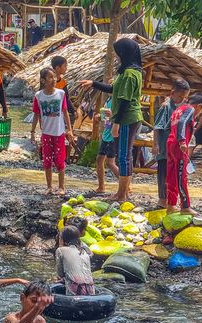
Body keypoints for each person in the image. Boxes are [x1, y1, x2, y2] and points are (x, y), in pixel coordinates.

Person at [81, 38, 143, 202]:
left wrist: (116, 123)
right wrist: (93, 83)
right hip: (127, 118)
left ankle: (122, 194)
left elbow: (124, 100)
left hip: (127, 119)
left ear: (124, 53)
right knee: (125, 156)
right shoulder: (131, 71)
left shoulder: (130, 74)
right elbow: (114, 89)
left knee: (123, 157)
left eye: (117, 54)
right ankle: (122, 192)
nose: (116, 57)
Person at [31, 67, 74, 195]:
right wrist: (32, 132)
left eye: (54, 77)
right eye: (50, 77)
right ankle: (49, 186)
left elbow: (65, 112)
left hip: (59, 133)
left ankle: (61, 187)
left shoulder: (61, 94)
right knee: (47, 160)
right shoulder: (39, 96)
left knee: (60, 160)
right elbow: (36, 115)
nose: (53, 80)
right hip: (46, 134)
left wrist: (69, 130)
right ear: (43, 80)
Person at [166, 93, 202, 215]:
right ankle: (185, 206)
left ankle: (171, 205)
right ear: (199, 106)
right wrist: (182, 141)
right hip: (179, 146)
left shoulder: (178, 109)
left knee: (172, 175)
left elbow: (169, 126)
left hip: (170, 143)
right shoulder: (190, 109)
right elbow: (183, 122)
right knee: (181, 176)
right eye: (201, 111)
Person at [153, 79, 191, 208]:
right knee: (163, 172)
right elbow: (157, 127)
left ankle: (169, 199)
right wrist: (155, 144)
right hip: (164, 146)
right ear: (172, 92)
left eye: (184, 97)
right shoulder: (166, 107)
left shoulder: (179, 107)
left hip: (172, 147)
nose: (182, 99)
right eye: (180, 96)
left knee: (171, 173)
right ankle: (162, 199)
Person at [55, 226, 95, 296]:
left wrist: (60, 280)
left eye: (60, 237)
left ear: (63, 239)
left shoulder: (60, 250)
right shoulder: (84, 251)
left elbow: (60, 275)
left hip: (75, 291)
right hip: (91, 290)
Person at [94, 98, 119, 193]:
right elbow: (106, 118)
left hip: (112, 136)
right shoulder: (109, 100)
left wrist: (112, 116)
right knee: (99, 159)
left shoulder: (118, 101)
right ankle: (101, 186)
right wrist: (100, 117)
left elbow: (119, 118)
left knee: (110, 162)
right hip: (106, 134)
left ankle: (125, 186)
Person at [50, 56, 75, 128]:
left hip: (59, 112)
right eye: (65, 66)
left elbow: (66, 98)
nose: (66, 68)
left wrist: (73, 111)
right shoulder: (48, 82)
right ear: (58, 68)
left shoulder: (63, 82)